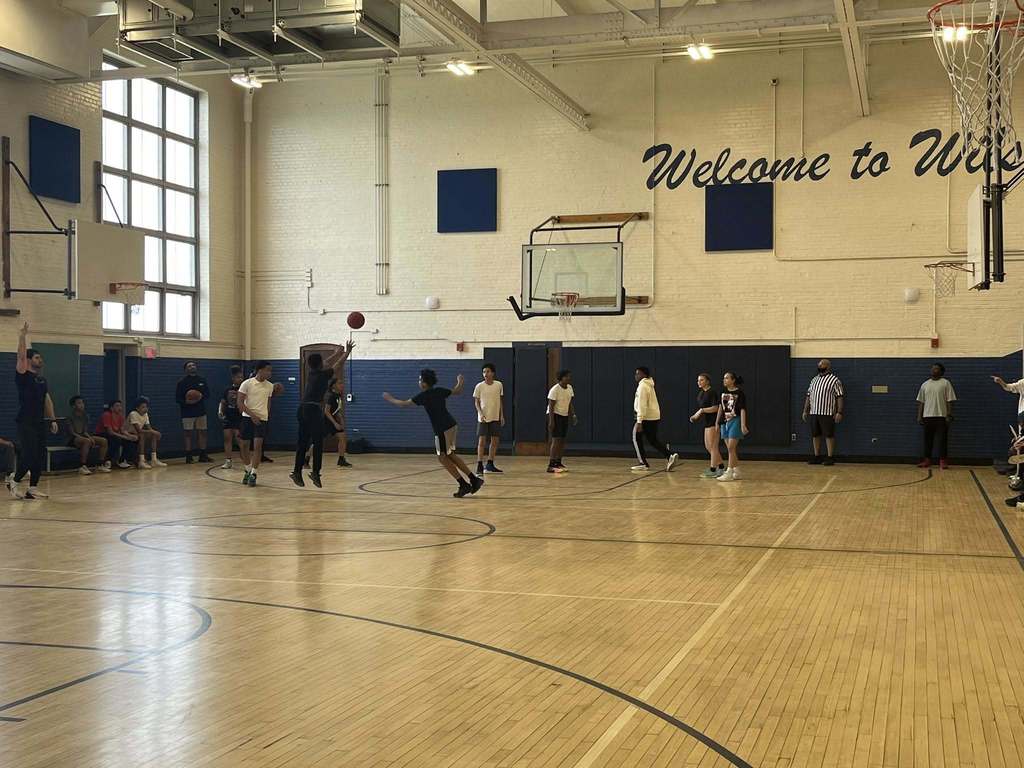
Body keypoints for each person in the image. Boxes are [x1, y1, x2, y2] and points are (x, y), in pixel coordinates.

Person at [383, 369, 483, 498]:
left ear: (425, 383)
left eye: (420, 380)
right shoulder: (439, 391)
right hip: (451, 425)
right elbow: (457, 391)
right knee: (449, 455)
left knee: (442, 457)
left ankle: (464, 484)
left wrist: (390, 399)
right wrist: (460, 381)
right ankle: (474, 480)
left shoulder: (423, 396)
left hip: (442, 428)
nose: (419, 382)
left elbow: (404, 404)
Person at [291, 342, 354, 488]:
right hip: (312, 410)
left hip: (302, 409)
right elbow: (338, 364)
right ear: (320, 365)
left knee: (302, 443)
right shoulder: (322, 375)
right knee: (318, 442)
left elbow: (326, 361)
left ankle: (297, 472)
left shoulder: (312, 372)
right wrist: (347, 352)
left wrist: (337, 352)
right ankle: (315, 473)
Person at [10, 323, 59, 500]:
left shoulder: (41, 380)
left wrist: (52, 419)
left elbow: (47, 400)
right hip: (25, 421)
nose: (40, 360)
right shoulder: (22, 374)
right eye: (37, 358)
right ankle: (14, 481)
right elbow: (21, 355)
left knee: (39, 454)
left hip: (39, 422)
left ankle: (32, 488)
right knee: (29, 454)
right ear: (29, 360)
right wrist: (22, 336)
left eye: (40, 358)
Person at [630, 366, 679, 472]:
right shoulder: (649, 384)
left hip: (645, 417)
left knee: (636, 437)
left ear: (643, 374)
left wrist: (639, 421)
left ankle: (643, 463)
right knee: (652, 440)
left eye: (638, 373)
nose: (636, 375)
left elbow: (642, 405)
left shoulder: (643, 386)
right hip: (653, 416)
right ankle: (669, 455)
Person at [238, 361, 275, 487]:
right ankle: (247, 470)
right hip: (247, 418)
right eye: (268, 370)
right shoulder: (247, 383)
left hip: (262, 419)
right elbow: (240, 403)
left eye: (271, 370)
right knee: (244, 446)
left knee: (258, 446)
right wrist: (252, 415)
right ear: (259, 370)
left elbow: (268, 402)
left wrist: (266, 416)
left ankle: (254, 473)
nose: (270, 373)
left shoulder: (270, 386)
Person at [802, 359, 845, 466]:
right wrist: (805, 410)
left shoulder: (835, 380)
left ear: (828, 367)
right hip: (814, 412)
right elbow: (808, 396)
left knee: (829, 435)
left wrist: (839, 412)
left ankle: (830, 457)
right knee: (815, 435)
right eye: (819, 365)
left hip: (827, 412)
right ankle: (817, 456)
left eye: (822, 365)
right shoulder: (814, 380)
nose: (820, 367)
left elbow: (839, 397)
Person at [917, 362, 956, 469]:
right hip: (927, 416)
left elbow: (949, 400)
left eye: (936, 369)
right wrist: (919, 416)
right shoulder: (925, 384)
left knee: (942, 440)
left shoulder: (946, 383)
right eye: (933, 368)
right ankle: (927, 460)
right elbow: (921, 402)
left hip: (941, 416)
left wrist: (949, 414)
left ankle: (943, 461)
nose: (934, 370)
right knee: (927, 439)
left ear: (941, 371)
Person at [175, 360, 211, 464]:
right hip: (187, 412)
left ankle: (202, 455)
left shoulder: (202, 380)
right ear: (185, 369)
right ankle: (189, 456)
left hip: (200, 411)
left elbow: (207, 394)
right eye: (189, 366)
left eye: (193, 365)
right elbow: (178, 399)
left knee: (202, 432)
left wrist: (199, 397)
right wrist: (187, 402)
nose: (192, 367)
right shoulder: (182, 382)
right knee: (188, 434)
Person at [716, 372, 749, 482]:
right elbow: (720, 408)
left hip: (735, 420)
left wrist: (743, 425)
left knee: (731, 447)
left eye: (726, 378)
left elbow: (743, 409)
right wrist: (717, 422)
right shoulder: (722, 392)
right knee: (731, 449)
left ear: (733, 380)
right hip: (724, 422)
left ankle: (729, 472)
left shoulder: (740, 393)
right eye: (723, 378)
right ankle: (737, 470)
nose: (724, 380)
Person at [473, 363, 505, 475]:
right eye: (484, 372)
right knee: (482, 441)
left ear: (493, 373)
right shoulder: (479, 386)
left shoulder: (499, 385)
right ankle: (479, 464)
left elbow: (500, 401)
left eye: (488, 371)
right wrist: (480, 413)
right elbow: (476, 402)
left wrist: (502, 415)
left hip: (495, 416)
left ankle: (490, 464)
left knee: (495, 440)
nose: (485, 374)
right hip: (483, 418)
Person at [690, 373, 724, 478]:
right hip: (707, 422)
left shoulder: (712, 392)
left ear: (707, 381)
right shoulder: (701, 394)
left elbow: (715, 408)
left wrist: (702, 411)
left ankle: (713, 469)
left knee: (713, 446)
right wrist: (696, 415)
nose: (699, 382)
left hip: (714, 422)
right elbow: (702, 409)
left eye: (702, 380)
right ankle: (721, 467)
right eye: (698, 380)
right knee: (708, 446)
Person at [68, 396, 110, 475]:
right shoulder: (70, 417)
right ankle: (82, 466)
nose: (82, 405)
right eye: (79, 403)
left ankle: (100, 464)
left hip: (83, 436)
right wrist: (86, 439)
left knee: (104, 441)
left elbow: (85, 431)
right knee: (87, 441)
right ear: (73, 406)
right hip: (73, 438)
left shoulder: (85, 416)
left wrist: (90, 438)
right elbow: (72, 432)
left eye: (82, 403)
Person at [546, 370, 576, 474]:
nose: (569, 378)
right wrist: (551, 421)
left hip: (564, 415)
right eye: (566, 376)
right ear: (561, 378)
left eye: (569, 376)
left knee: (562, 440)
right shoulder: (555, 389)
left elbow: (570, 403)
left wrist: (573, 415)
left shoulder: (570, 388)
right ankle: (551, 464)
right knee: (556, 439)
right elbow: (551, 406)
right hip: (555, 415)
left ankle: (558, 462)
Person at [95, 400, 137, 468]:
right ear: (111, 408)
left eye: (120, 406)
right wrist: (123, 437)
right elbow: (110, 432)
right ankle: (107, 461)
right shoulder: (106, 415)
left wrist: (130, 436)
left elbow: (122, 430)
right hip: (102, 434)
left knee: (129, 441)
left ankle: (122, 461)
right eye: (117, 406)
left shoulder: (120, 416)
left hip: (114, 435)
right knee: (116, 440)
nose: (119, 407)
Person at [128, 398, 166, 469]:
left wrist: (155, 432)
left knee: (153, 435)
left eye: (146, 407)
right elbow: (138, 430)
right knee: (142, 435)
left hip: (138, 433)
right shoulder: (133, 414)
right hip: (129, 433)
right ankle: (141, 461)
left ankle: (154, 460)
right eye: (143, 407)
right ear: (137, 408)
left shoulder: (145, 414)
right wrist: (153, 431)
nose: (145, 409)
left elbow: (149, 429)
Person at [218, 365, 244, 469]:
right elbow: (223, 402)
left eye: (242, 377)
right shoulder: (227, 389)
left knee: (240, 439)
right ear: (233, 378)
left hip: (240, 417)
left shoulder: (244, 390)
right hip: (229, 416)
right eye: (238, 377)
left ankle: (245, 460)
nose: (240, 379)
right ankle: (228, 461)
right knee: (227, 438)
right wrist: (220, 412)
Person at [324, 377, 352, 468]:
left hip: (334, 420)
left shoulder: (338, 396)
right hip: (326, 421)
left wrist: (342, 421)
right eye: (340, 383)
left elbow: (337, 411)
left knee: (343, 437)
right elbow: (326, 411)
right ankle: (306, 459)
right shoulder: (331, 396)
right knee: (317, 441)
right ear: (334, 386)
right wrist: (334, 423)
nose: (342, 385)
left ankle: (341, 459)